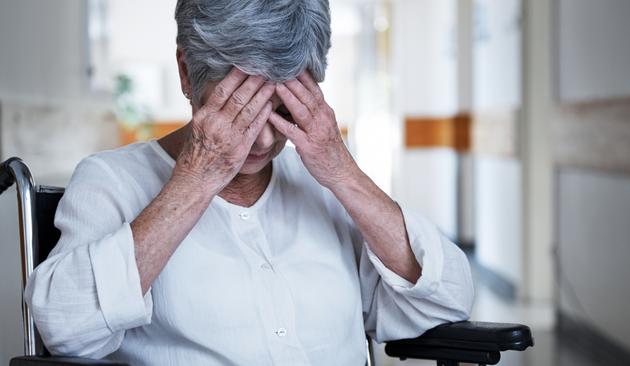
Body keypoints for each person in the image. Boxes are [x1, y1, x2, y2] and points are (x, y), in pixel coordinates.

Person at [25, 0, 474, 365]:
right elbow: (66, 328)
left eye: (282, 109)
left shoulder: (323, 185)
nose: (262, 138)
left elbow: (446, 299)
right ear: (186, 73)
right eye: (240, 109)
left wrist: (343, 173)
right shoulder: (111, 181)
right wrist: (197, 179)